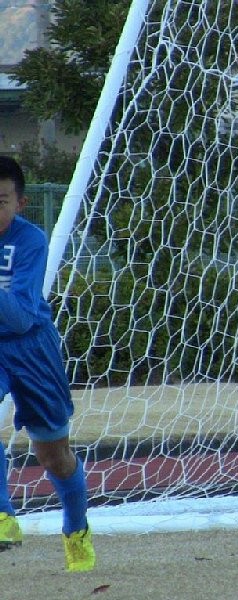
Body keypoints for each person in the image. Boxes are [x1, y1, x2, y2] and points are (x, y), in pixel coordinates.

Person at [0, 156, 95, 571]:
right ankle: (4, 516)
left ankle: (77, 531)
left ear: (19, 203)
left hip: (32, 349)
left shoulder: (31, 241)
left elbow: (21, 317)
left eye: (0, 201)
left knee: (54, 455)